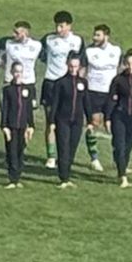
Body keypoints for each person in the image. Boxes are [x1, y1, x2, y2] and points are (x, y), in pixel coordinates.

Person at [40, 12, 82, 167]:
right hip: (51, 83)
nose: (58, 29)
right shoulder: (48, 39)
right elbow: (38, 55)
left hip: (69, 85)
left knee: (69, 119)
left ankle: (65, 156)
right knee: (50, 120)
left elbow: (81, 62)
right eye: (57, 26)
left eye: (62, 26)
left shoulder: (77, 41)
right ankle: (51, 156)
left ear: (69, 26)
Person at [82, 23, 123, 172]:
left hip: (111, 93)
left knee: (113, 125)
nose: (95, 38)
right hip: (93, 92)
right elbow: (82, 70)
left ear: (106, 36)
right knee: (94, 123)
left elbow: (120, 69)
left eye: (98, 35)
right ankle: (94, 158)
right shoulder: (89, 51)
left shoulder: (116, 50)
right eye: (94, 35)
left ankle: (119, 159)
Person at [43, 54, 87, 188]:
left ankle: (67, 174)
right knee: (63, 147)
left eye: (76, 66)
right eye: (71, 66)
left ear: (79, 67)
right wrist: (51, 122)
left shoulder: (83, 83)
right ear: (67, 66)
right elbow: (55, 103)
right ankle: (63, 178)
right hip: (62, 120)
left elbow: (86, 101)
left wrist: (90, 120)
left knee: (72, 148)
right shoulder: (60, 83)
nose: (73, 69)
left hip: (77, 120)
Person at [107, 50, 132, 187]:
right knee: (120, 145)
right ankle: (122, 175)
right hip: (119, 116)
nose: (130, 66)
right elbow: (111, 99)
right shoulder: (118, 80)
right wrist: (107, 118)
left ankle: (121, 166)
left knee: (128, 146)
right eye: (128, 63)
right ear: (124, 64)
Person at [0, 62, 36, 188]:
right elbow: (5, 109)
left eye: (20, 71)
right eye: (15, 71)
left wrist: (31, 126)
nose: (18, 74)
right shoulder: (7, 90)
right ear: (11, 73)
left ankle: (17, 178)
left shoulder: (27, 89)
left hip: (23, 126)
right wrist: (4, 126)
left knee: (20, 151)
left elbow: (29, 109)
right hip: (11, 126)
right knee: (12, 152)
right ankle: (12, 179)